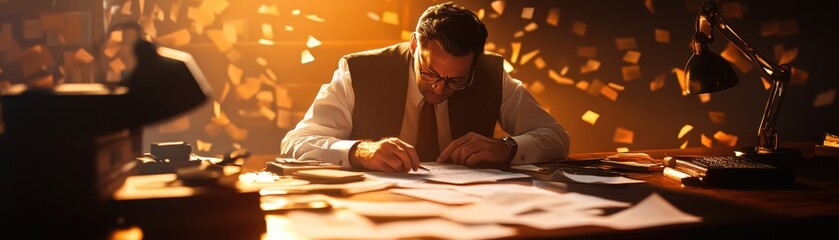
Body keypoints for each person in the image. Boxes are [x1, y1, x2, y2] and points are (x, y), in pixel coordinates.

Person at [281, 1, 569, 172]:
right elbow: (295, 143)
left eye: (456, 80)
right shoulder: (357, 71)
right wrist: (359, 151)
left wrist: (507, 148)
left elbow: (557, 137)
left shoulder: (491, 73)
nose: (440, 89)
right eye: (430, 72)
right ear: (414, 46)